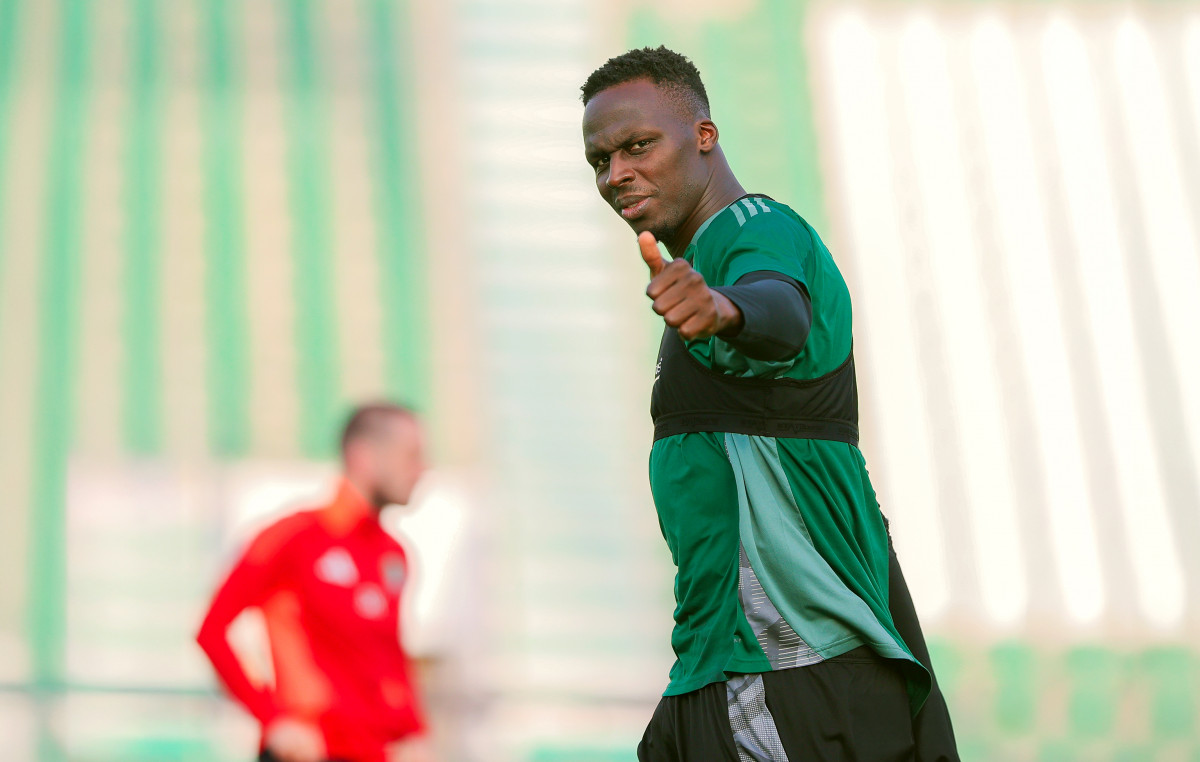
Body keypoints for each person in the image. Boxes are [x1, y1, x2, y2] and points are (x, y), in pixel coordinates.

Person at [580, 46, 960, 761]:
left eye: (638, 146)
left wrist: (725, 309)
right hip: (722, 663)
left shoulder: (755, 229)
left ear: (704, 135)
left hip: (787, 666)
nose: (616, 173)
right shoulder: (705, 254)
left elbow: (778, 310)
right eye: (601, 159)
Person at [196, 402, 436, 762]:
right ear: (364, 456)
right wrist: (273, 719)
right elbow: (213, 630)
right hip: (309, 752)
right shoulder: (293, 537)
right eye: (411, 456)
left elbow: (387, 657)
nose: (422, 470)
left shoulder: (393, 554)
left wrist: (414, 733)